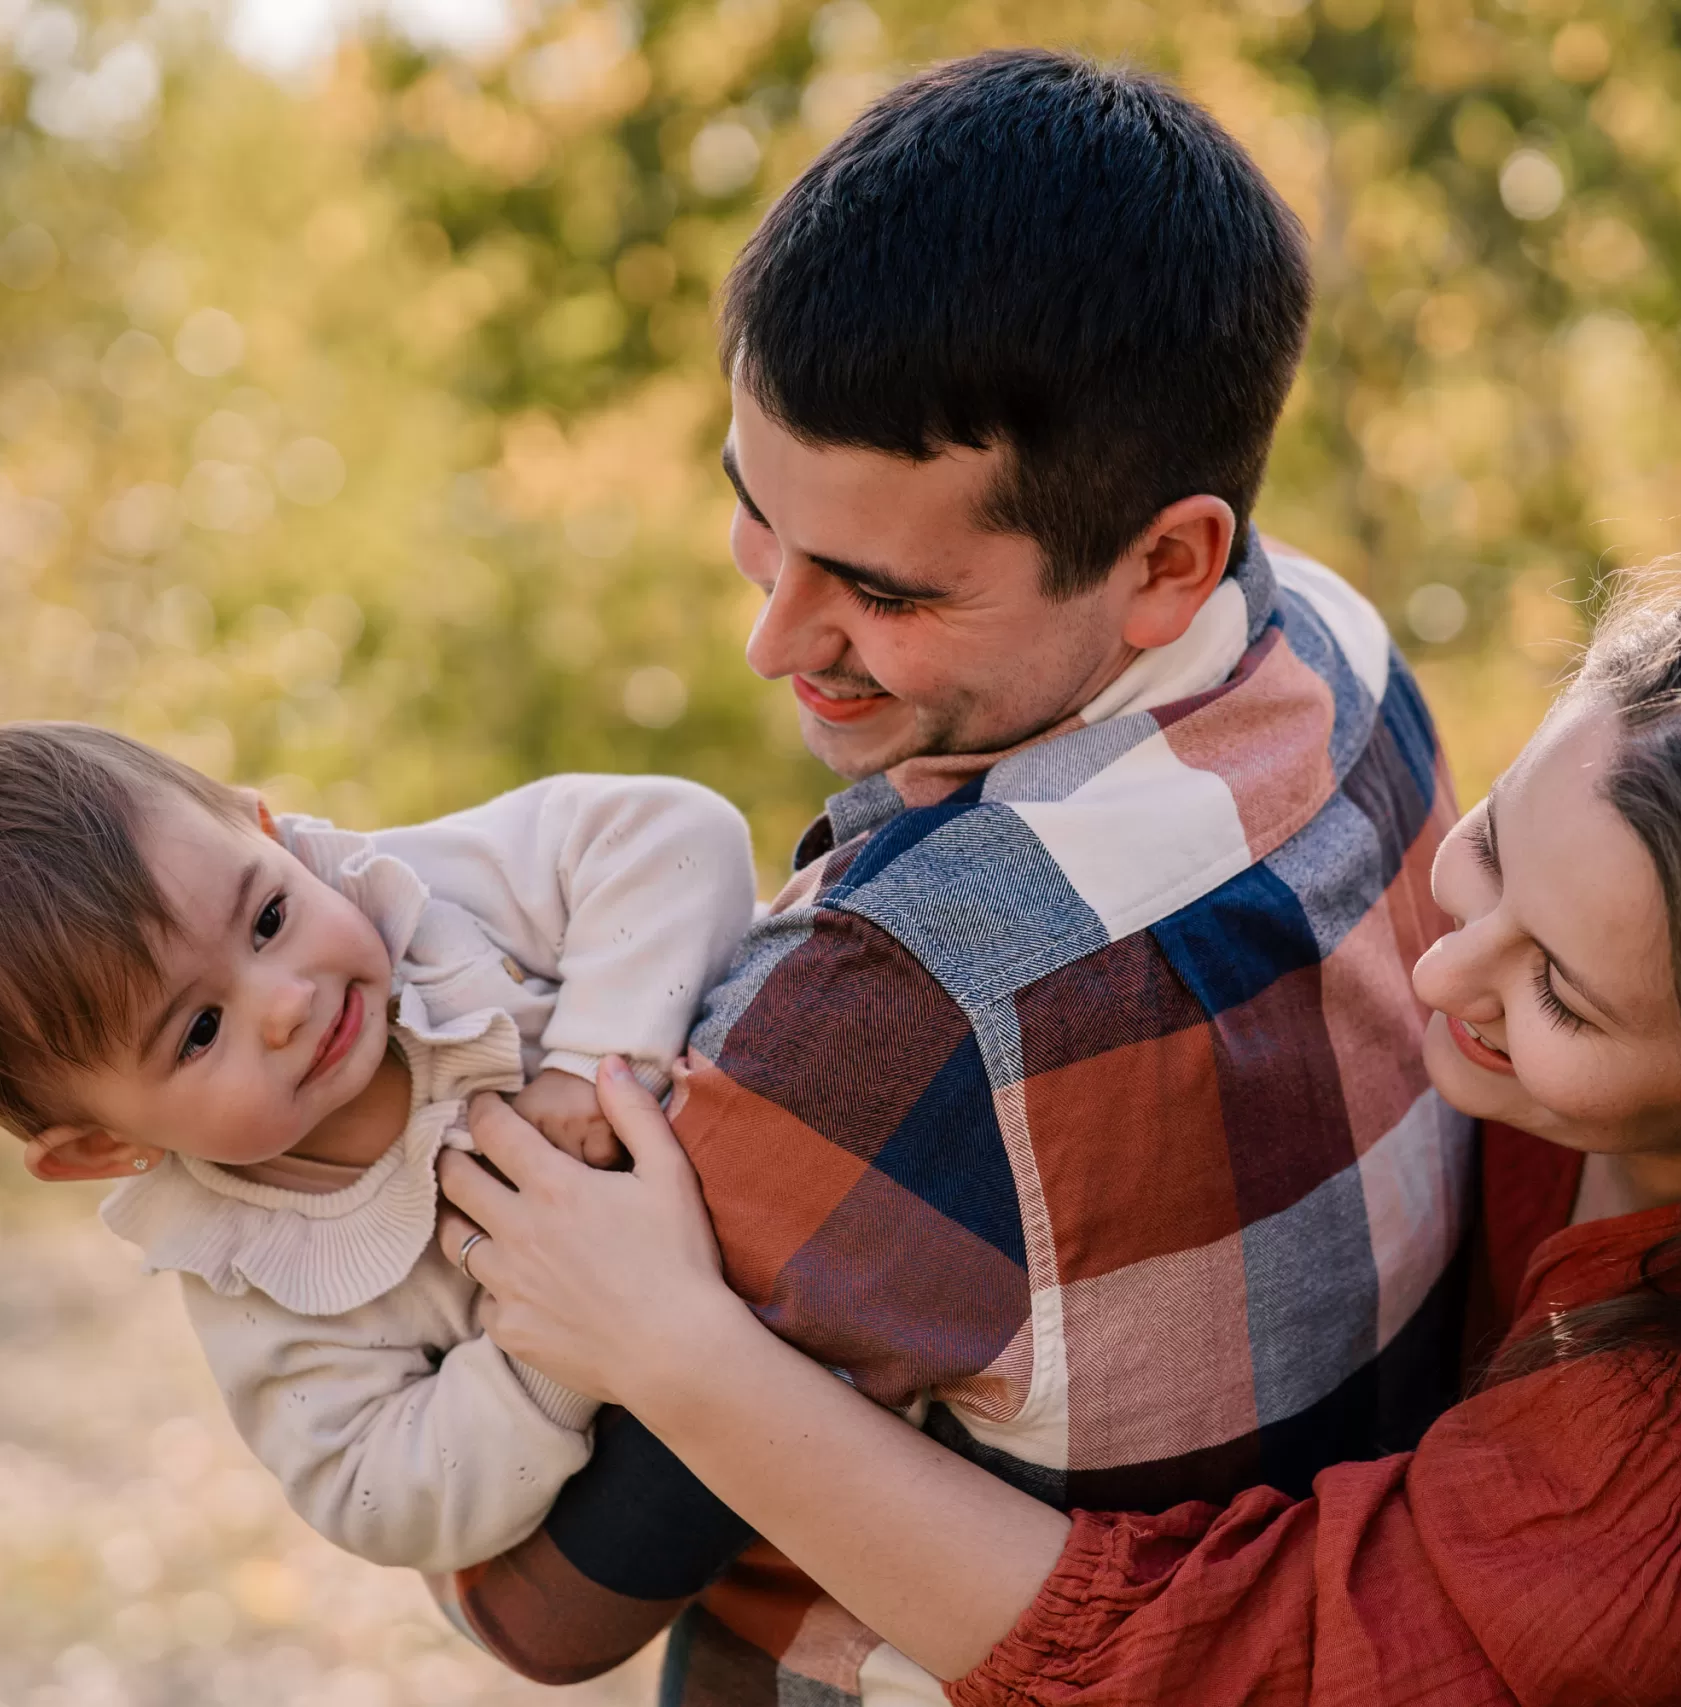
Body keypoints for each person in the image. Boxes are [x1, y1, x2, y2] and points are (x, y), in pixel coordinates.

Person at [442, 562, 1681, 1706]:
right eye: (1497, 843)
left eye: (1569, 1001)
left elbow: (1213, 1666)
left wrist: (675, 1350)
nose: (1442, 963)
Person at [442, 48, 1470, 1706]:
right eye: (753, 515)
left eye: (883, 590)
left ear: (1163, 561)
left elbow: (537, 1611)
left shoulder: (888, 1006)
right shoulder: (1340, 648)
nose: (774, 636)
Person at [0, 723, 756, 1577]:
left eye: (268, 918)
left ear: (264, 828)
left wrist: (590, 1060)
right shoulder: (262, 1283)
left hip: (817, 1155)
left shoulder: (435, 903)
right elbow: (376, 1491)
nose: (285, 1001)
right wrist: (558, 1342)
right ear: (103, 1145)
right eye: (197, 1031)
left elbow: (679, 834)